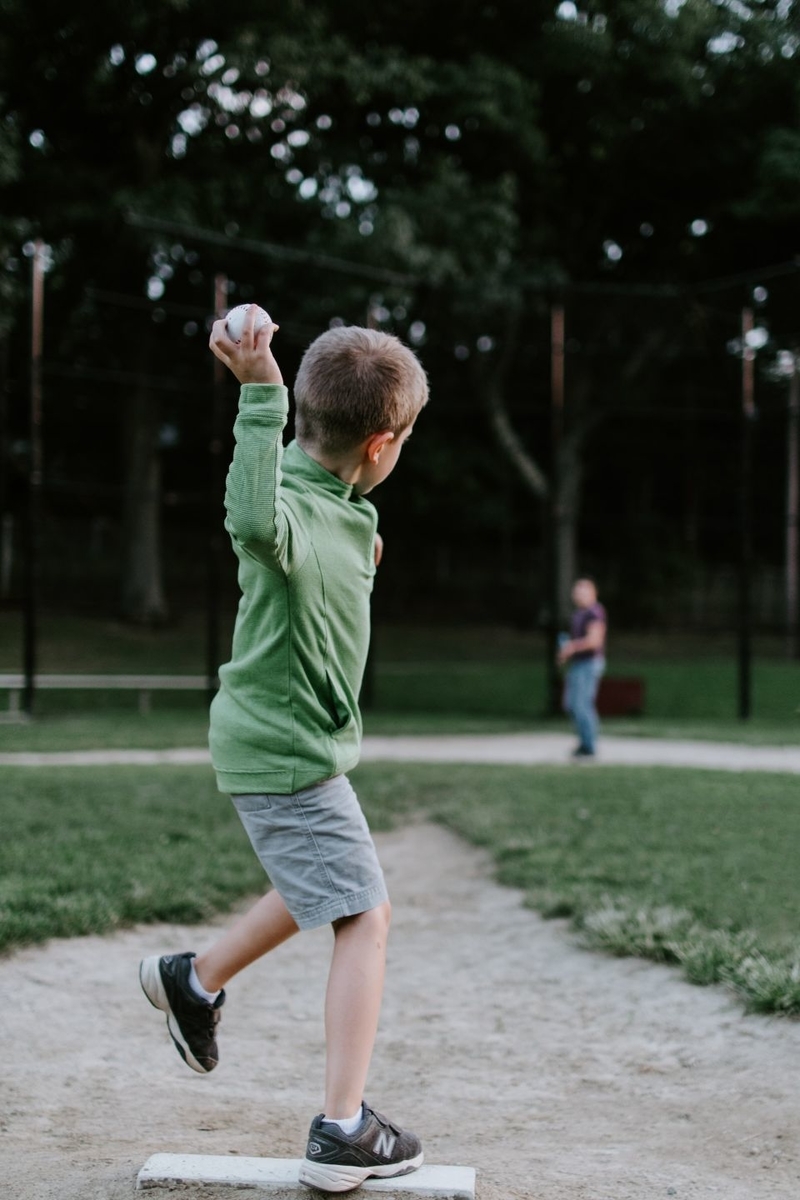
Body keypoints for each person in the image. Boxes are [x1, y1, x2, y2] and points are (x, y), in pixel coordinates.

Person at [139, 306, 429, 1194]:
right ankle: (343, 1129)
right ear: (382, 443)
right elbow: (258, 523)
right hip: (284, 749)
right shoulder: (293, 513)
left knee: (325, 885)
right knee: (364, 914)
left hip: (295, 746)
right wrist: (259, 394)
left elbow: (317, 516)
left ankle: (193, 979)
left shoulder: (337, 505)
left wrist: (358, 532)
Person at [557, 578, 607, 759]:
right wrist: (567, 652)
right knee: (571, 703)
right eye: (577, 591)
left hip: (589, 664)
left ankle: (589, 745)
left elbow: (595, 641)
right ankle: (584, 742)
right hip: (578, 664)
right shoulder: (579, 614)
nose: (580, 595)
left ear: (594, 593)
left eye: (584, 592)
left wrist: (572, 647)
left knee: (582, 704)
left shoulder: (595, 613)